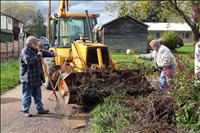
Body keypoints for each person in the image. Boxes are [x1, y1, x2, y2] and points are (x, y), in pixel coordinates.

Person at [20, 36, 56, 117]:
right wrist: (38, 56)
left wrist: (54, 54)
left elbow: (45, 52)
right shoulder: (25, 51)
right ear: (30, 44)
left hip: (36, 77)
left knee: (37, 95)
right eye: (35, 43)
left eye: (37, 43)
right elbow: (28, 61)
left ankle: (40, 109)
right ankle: (25, 111)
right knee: (27, 95)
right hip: (28, 78)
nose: (37, 44)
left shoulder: (36, 50)